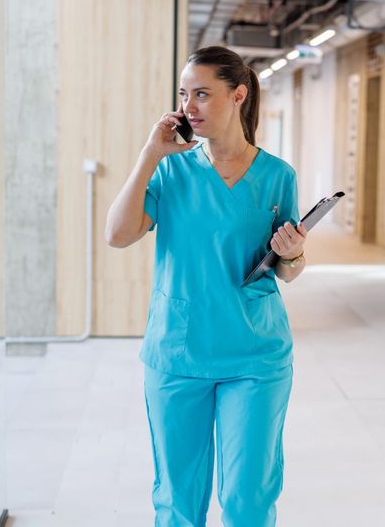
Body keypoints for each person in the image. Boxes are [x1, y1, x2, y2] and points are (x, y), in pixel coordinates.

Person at [104, 46, 307, 526]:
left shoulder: (278, 176)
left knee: (247, 501)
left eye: (201, 94)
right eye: (183, 94)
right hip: (178, 353)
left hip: (254, 355)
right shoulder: (171, 170)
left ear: (238, 96)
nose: (187, 106)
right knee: (177, 502)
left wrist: (294, 251)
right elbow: (117, 234)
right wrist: (149, 154)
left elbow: (288, 270)